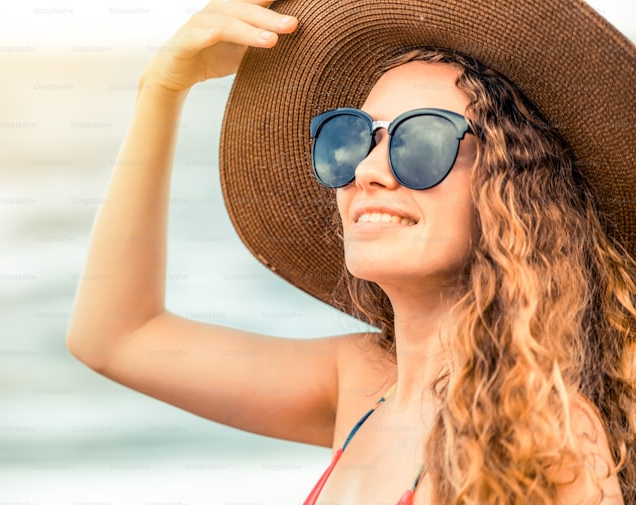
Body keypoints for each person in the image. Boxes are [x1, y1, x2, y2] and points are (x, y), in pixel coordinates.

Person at [66, 0, 636, 503]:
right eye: (353, 137)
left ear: (521, 189)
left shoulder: (546, 441)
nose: (366, 170)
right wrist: (161, 90)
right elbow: (117, 336)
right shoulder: (361, 384)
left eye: (422, 140)